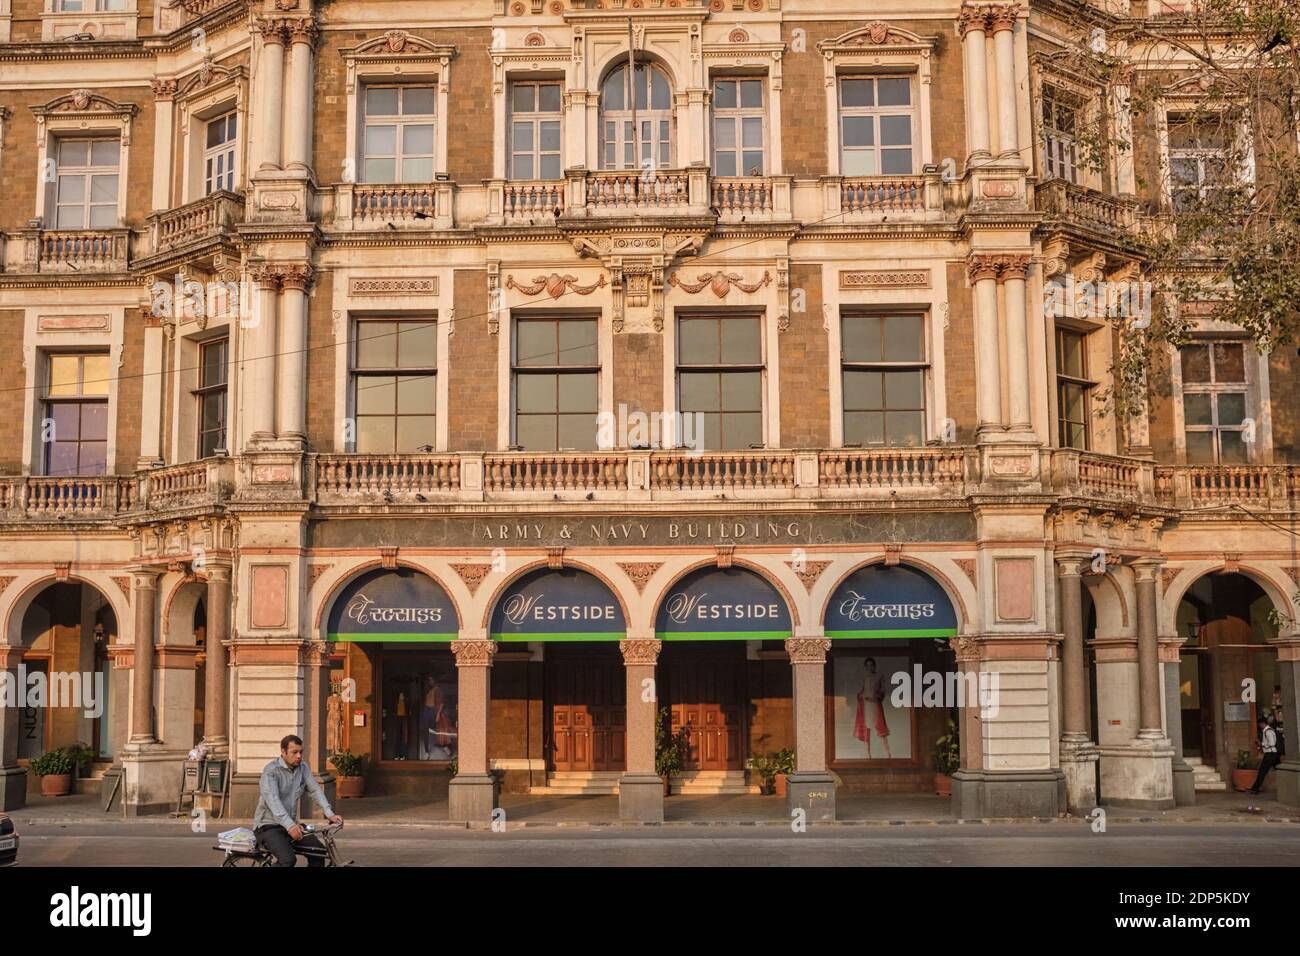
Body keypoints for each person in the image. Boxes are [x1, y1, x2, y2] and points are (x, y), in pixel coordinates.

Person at [253, 734, 344, 867]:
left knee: (318, 852)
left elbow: (315, 790)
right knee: (288, 860)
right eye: (294, 752)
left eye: (301, 752)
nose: (299, 756)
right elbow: (273, 801)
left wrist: (330, 814)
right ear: (283, 752)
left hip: (291, 825)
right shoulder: (271, 771)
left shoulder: (303, 767)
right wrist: (290, 825)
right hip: (268, 827)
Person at [854, 657, 892, 759]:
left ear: (874, 666)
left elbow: (882, 691)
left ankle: (887, 753)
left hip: (875, 704)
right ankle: (867, 753)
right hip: (865, 705)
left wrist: (875, 697)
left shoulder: (879, 676)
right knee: (866, 728)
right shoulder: (864, 678)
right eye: (867, 665)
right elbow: (862, 691)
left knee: (881, 727)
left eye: (871, 665)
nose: (869, 667)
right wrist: (861, 696)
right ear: (865, 667)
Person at [1249, 715, 1280, 795]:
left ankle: (1254, 789)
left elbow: (1272, 743)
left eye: (1260, 724)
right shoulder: (1267, 731)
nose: (1259, 726)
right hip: (1272, 754)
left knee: (1262, 772)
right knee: (1278, 770)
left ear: (1263, 723)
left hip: (1270, 754)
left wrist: (1261, 744)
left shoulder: (1268, 731)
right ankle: (1254, 789)